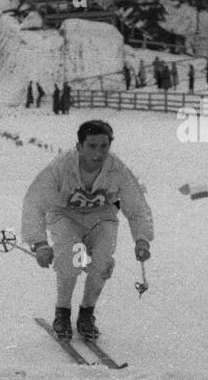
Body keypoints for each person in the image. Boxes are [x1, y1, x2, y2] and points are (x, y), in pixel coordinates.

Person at [21, 120, 154, 341]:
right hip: (65, 215)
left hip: (101, 218)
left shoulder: (117, 169)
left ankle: (87, 312)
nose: (98, 153)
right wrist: (39, 243)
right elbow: (34, 202)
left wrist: (142, 239)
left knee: (101, 262)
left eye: (104, 146)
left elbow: (137, 205)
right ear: (79, 146)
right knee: (72, 257)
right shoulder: (61, 167)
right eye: (91, 146)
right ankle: (62, 312)